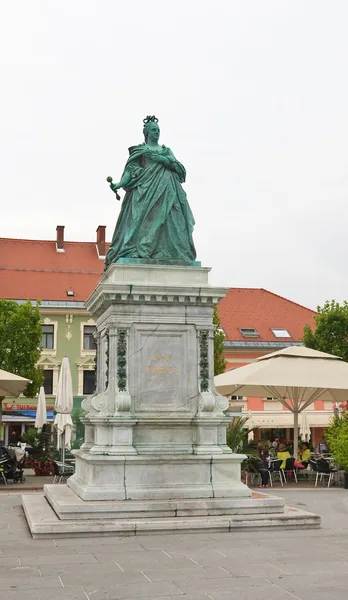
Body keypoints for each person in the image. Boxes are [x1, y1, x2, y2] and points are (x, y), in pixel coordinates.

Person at [105, 115, 197, 268]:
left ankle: (170, 252)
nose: (156, 133)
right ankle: (138, 249)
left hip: (168, 190)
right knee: (140, 221)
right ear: (146, 133)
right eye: (153, 130)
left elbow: (180, 170)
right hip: (145, 191)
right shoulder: (140, 150)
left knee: (170, 221)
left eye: (158, 130)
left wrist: (163, 160)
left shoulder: (166, 150)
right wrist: (118, 184)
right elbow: (131, 171)